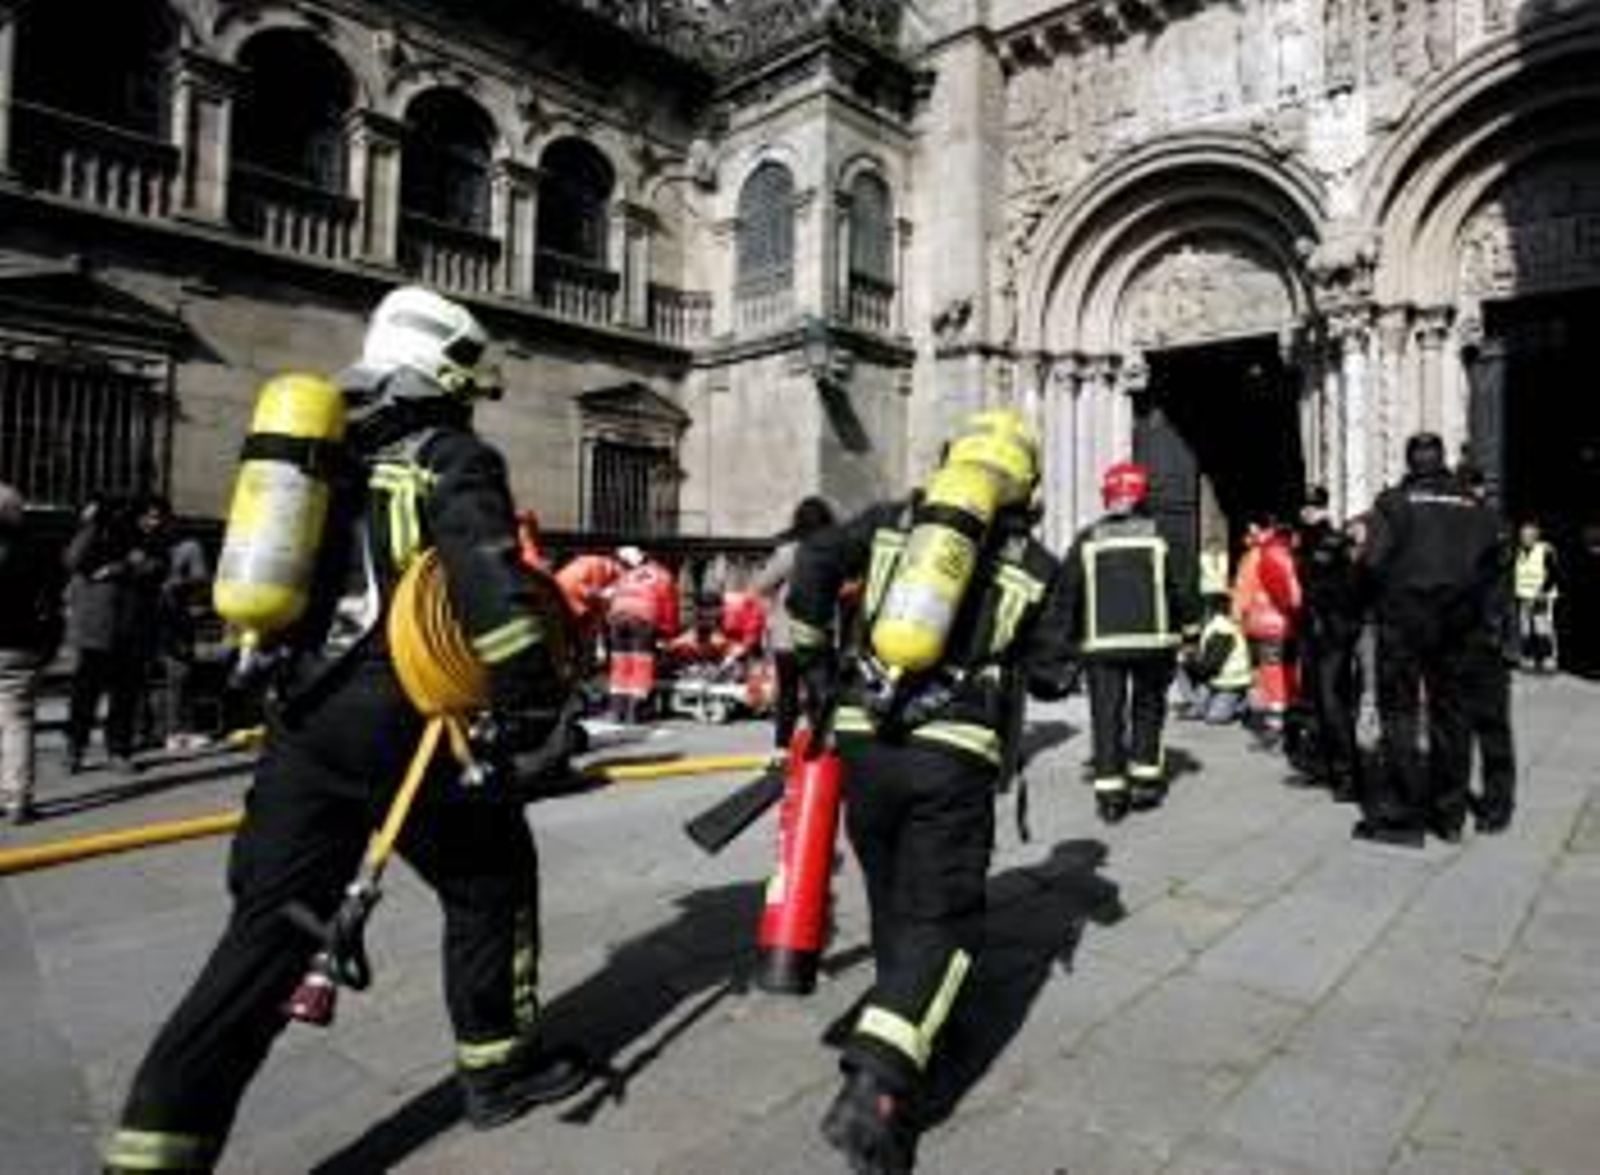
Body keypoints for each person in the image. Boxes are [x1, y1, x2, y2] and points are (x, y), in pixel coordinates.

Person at [105, 287, 589, 1174]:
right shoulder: (452, 455)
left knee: (267, 933)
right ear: (445, 372)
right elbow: (488, 584)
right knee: (491, 880)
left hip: (305, 718)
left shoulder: (320, 454)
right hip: (406, 720)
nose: (471, 398)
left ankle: (153, 1152)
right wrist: (534, 701)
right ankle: (498, 1069)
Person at [787, 409, 1077, 1174]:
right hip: (952, 754)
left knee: (892, 893)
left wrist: (814, 661)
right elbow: (1054, 674)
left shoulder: (892, 523)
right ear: (1025, 484)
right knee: (944, 917)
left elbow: (814, 557)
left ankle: (910, 1016)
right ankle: (877, 1084)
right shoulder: (1038, 563)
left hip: (863, 741)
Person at [1355, 432, 1501, 846]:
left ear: (1409, 462)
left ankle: (1404, 817)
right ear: (1442, 461)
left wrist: (1371, 600)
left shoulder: (1393, 503)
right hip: (1460, 625)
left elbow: (1372, 562)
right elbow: (1496, 563)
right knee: (1453, 717)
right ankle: (1450, 816)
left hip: (1404, 623)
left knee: (1400, 713)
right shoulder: (1474, 506)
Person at [1063, 461, 1200, 823]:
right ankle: (1144, 782)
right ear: (1143, 496)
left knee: (1105, 715)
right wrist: (1190, 634)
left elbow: (1068, 592)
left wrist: (1067, 642)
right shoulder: (1164, 536)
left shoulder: (1088, 537)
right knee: (1148, 710)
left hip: (1101, 646)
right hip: (1153, 644)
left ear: (1109, 496)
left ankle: (1110, 795)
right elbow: (1183, 588)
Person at [62, 497, 155, 774]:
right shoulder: (95, 537)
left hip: (130, 629)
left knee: (124, 697)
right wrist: (91, 524)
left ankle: (119, 750)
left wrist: (119, 568)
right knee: (84, 695)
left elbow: (152, 566)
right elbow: (73, 560)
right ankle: (75, 748)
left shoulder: (142, 539)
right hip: (96, 630)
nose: (147, 522)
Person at [1289, 486, 1365, 801]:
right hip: (1311, 632)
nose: (1307, 511)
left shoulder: (1335, 542)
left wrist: (1340, 626)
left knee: (1334, 703)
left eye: (1314, 506)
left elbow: (1350, 590)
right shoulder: (1302, 542)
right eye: (1304, 506)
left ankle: (1349, 777)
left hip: (1333, 634)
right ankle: (1322, 768)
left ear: (1324, 509)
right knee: (1314, 703)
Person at [1458, 464, 1517, 834]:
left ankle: (1498, 804)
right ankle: (1468, 799)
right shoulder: (1457, 527)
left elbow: (1492, 587)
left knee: (1491, 727)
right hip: (1465, 640)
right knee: (1461, 726)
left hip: (1485, 641)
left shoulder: (1493, 527)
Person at [751, 496, 837, 749]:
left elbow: (760, 585)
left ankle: (781, 750)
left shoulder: (788, 552)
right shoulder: (833, 553)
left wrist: (776, 600)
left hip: (787, 637)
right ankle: (820, 749)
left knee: (788, 695)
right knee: (819, 696)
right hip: (820, 634)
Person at [0, 484, 62, 824]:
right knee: (17, 721)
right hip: (20, 644)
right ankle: (17, 799)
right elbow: (52, 598)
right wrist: (50, 642)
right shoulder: (37, 547)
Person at [1234, 513, 1302, 746]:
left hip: (1266, 623)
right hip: (1288, 623)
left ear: (1263, 530)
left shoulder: (1257, 555)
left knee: (1271, 675)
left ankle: (1276, 727)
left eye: (1252, 530)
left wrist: (1237, 619)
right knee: (1289, 672)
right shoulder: (1287, 550)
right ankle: (1292, 721)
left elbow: (1244, 590)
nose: (1249, 535)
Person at [605, 545, 679, 723]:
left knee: (620, 663)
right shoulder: (664, 576)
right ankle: (634, 712)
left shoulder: (628, 575)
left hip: (617, 617)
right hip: (642, 617)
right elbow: (669, 608)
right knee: (641, 664)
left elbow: (614, 597)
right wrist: (668, 633)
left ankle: (617, 711)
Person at [1176, 592, 1252, 724]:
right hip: (1215, 681)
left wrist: (1188, 661)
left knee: (1215, 718)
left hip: (1230, 684)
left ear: (1210, 611)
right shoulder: (1215, 627)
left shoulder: (1221, 630)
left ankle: (1241, 704)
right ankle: (1198, 704)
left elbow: (1210, 666)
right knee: (1199, 712)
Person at [1512, 520, 1559, 671]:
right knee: (1525, 628)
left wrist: (1542, 592)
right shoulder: (1517, 550)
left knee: (1541, 628)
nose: (1526, 537)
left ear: (1536, 535)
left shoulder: (1545, 550)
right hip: (1523, 595)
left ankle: (1546, 659)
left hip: (1541, 595)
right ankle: (1528, 658)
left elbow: (1553, 574)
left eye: (1530, 534)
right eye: (1523, 534)